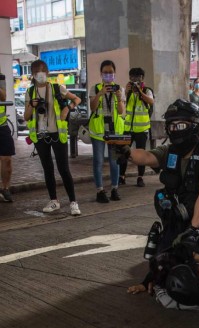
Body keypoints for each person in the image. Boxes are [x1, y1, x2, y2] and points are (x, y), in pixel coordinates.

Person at [115, 98, 199, 255]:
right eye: (171, 126)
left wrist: (192, 230)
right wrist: (126, 151)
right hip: (181, 215)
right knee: (163, 259)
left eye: (180, 125)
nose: (175, 130)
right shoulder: (169, 151)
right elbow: (146, 157)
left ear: (195, 126)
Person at [24, 60, 82, 215]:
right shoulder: (30, 92)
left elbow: (77, 99)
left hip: (57, 134)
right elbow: (26, 116)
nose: (40, 74)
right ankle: (54, 201)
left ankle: (73, 202)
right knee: (47, 169)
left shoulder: (57, 87)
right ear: (33, 74)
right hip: (41, 135)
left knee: (63, 169)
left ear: (47, 72)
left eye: (42, 70)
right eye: (36, 71)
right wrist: (32, 105)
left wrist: (67, 108)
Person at [89, 59, 125, 203]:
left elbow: (122, 112)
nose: (108, 75)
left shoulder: (119, 89)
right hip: (98, 130)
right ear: (101, 74)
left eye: (110, 72)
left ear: (114, 74)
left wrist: (119, 99)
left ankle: (114, 189)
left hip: (114, 130)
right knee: (98, 161)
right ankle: (100, 191)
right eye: (105, 73)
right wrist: (100, 94)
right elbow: (92, 107)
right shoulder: (95, 88)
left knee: (114, 161)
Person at [120, 67, 154, 188]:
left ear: (142, 78)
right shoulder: (126, 91)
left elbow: (151, 102)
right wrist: (127, 92)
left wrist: (140, 92)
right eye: (132, 77)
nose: (135, 80)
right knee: (123, 152)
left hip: (142, 129)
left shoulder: (147, 90)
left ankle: (140, 177)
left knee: (141, 154)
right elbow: (121, 106)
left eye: (137, 77)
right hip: (128, 128)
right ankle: (121, 176)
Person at [0, 70, 14, 202]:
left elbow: (3, 97)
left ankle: (5, 188)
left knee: (6, 159)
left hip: (2, 126)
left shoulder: (1, 77)